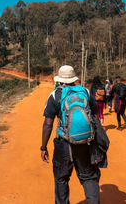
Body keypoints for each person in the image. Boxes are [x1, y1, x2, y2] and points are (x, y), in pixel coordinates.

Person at [41, 65, 109, 204]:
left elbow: (48, 124)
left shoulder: (54, 95)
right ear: (73, 78)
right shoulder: (85, 91)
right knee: (89, 177)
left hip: (63, 145)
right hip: (85, 143)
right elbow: (95, 116)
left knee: (61, 179)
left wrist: (43, 147)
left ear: (59, 79)